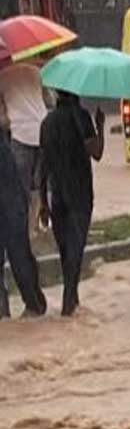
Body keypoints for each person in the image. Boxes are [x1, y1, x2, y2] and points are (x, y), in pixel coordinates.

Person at [36, 90, 104, 317]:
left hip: (57, 197)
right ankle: (68, 304)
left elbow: (42, 169)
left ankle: (72, 301)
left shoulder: (46, 123)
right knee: (76, 250)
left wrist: (43, 203)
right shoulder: (82, 117)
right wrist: (100, 126)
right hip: (80, 195)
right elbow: (97, 153)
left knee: (66, 251)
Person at [0, 94, 48, 319]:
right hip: (13, 203)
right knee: (20, 253)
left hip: (10, 204)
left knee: (19, 254)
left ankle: (32, 305)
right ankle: (32, 305)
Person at [0, 61, 50, 239]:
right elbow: (49, 101)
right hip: (43, 133)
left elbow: (3, 118)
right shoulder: (36, 72)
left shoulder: (2, 77)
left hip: (21, 135)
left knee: (20, 186)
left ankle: (23, 230)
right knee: (40, 183)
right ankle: (36, 226)